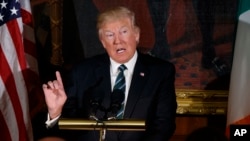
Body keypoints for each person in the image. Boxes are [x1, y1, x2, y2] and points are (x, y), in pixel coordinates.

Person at [42, 6, 177, 141]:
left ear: (136, 35)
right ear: (103, 42)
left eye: (123, 32)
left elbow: (164, 125)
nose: (117, 41)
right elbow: (67, 129)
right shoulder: (82, 72)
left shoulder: (160, 72)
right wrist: (55, 113)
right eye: (110, 35)